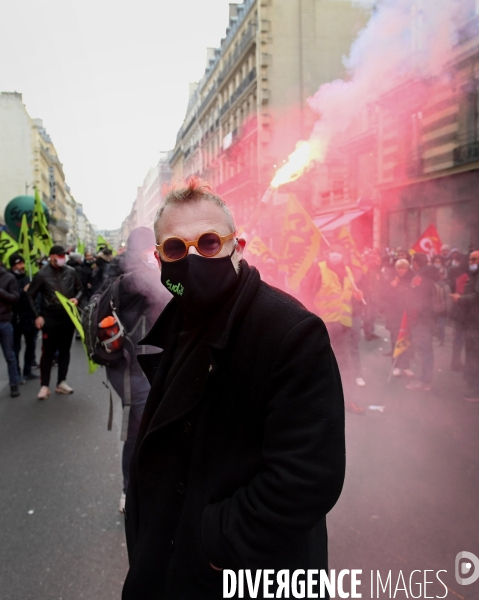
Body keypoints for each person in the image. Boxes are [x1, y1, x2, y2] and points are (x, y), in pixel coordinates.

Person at [122, 178, 345, 600]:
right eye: (175, 249)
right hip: (170, 559)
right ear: (158, 258)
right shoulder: (182, 320)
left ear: (237, 246)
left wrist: (215, 541)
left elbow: (309, 476)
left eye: (208, 243)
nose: (191, 259)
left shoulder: (290, 331)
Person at [104, 227, 171, 513]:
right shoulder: (133, 272)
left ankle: (137, 487)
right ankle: (131, 490)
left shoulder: (122, 268)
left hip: (136, 363)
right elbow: (153, 289)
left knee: (142, 427)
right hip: (132, 364)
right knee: (141, 429)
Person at [312, 244, 366, 407]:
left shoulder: (348, 272)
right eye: (333, 252)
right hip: (323, 324)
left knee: (343, 361)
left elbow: (348, 299)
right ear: (328, 254)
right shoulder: (319, 270)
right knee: (321, 360)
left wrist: (358, 297)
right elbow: (308, 293)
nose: (336, 255)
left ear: (344, 255)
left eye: (339, 252)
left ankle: (346, 398)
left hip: (343, 325)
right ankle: (318, 398)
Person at [27, 245, 83, 400]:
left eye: (63, 256)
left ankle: (61, 382)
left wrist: (76, 298)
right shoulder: (42, 275)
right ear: (51, 256)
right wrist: (37, 316)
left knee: (65, 351)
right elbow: (30, 295)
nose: (61, 258)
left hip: (67, 318)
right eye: (58, 256)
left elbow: (80, 289)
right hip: (50, 318)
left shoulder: (71, 272)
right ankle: (44, 386)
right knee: (48, 353)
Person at [450, 250, 479, 402]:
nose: (471, 262)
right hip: (473, 321)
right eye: (470, 259)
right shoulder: (475, 275)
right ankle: (475, 385)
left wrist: (460, 299)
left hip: (478, 323)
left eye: (475, 259)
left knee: (477, 356)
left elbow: (477, 297)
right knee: (474, 355)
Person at [405, 253, 438, 392]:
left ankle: (424, 381)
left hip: (421, 319)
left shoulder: (419, 278)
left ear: (416, 263)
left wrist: (413, 315)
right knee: (427, 350)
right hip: (430, 318)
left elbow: (416, 300)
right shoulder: (431, 276)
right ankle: (426, 379)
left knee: (423, 350)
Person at [382, 258, 414, 377]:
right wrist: (391, 287)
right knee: (395, 340)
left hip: (407, 314)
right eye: (399, 268)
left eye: (403, 268)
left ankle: (405, 366)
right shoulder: (392, 280)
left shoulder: (412, 279)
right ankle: (396, 366)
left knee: (406, 340)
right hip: (394, 315)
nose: (401, 270)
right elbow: (383, 296)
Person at [9, 253, 38, 382]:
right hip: (14, 319)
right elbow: (11, 298)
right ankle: (16, 373)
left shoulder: (27, 278)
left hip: (28, 318)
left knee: (31, 346)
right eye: (18, 264)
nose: (21, 266)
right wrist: (23, 291)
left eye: (22, 263)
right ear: (13, 266)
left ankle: (27, 371)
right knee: (15, 348)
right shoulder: (8, 279)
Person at [0, 260, 20, 397]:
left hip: (4, 321)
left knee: (9, 355)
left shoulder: (9, 277)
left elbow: (15, 298)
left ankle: (14, 384)